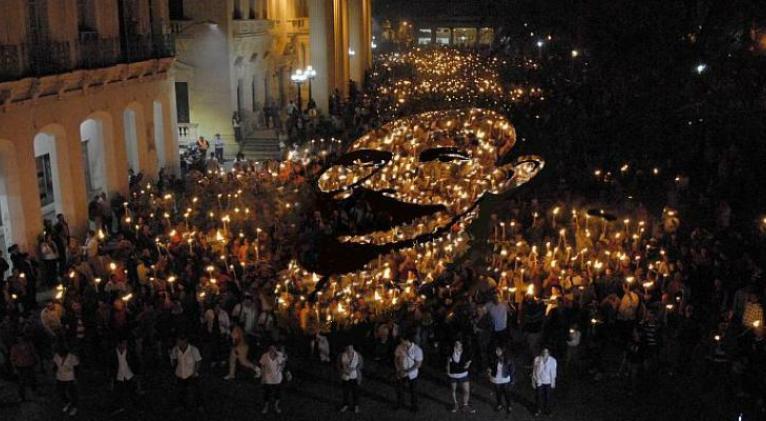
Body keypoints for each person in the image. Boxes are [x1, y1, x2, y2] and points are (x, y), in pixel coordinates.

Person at [169, 334, 204, 412]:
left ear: (184, 341)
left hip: (191, 374)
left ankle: (199, 405)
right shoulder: (176, 349)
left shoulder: (193, 349)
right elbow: (173, 358)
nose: (177, 342)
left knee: (196, 391)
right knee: (180, 391)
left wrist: (195, 371)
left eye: (179, 341)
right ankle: (181, 405)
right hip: (180, 374)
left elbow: (198, 361)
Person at [109, 338, 140, 414]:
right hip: (119, 376)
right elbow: (111, 366)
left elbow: (136, 363)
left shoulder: (130, 352)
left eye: (125, 344)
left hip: (129, 375)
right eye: (123, 344)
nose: (125, 346)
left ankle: (136, 407)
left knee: (133, 392)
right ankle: (119, 407)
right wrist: (111, 378)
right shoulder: (113, 353)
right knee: (118, 393)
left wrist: (136, 374)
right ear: (119, 344)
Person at [394, 335, 423, 412]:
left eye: (402, 340)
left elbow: (418, 364)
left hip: (412, 375)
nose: (401, 342)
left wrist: (407, 371)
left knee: (413, 391)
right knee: (399, 389)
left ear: (408, 340)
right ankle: (400, 403)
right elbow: (396, 359)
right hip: (401, 372)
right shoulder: (399, 347)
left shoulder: (417, 350)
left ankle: (414, 406)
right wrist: (398, 370)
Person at [446, 339, 474, 413]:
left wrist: (469, 363)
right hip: (453, 375)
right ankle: (455, 404)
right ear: (454, 346)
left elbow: (471, 357)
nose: (460, 346)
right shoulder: (450, 352)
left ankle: (465, 405)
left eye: (460, 344)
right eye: (457, 344)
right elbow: (448, 362)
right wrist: (448, 371)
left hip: (463, 374)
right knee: (453, 390)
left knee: (466, 391)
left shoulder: (465, 352)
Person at [53, 342, 80, 416]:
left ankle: (74, 407)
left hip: (70, 377)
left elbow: (76, 368)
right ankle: (68, 402)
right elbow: (55, 366)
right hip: (60, 377)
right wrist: (54, 371)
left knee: (72, 393)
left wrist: (76, 378)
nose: (60, 354)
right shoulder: (56, 356)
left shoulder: (72, 357)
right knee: (60, 392)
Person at [10, 334, 39, 402]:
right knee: (22, 382)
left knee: (32, 379)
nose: (20, 339)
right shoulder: (15, 347)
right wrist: (14, 368)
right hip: (20, 366)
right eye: (19, 338)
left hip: (29, 364)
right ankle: (22, 396)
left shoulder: (29, 345)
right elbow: (12, 358)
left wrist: (36, 360)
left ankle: (34, 392)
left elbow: (34, 353)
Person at [259, 343, 286, 414]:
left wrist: (282, 367)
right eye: (270, 348)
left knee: (278, 394)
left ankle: (276, 406)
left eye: (273, 348)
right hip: (268, 379)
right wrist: (263, 377)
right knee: (267, 394)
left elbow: (283, 363)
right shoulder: (265, 356)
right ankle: (266, 407)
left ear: (276, 349)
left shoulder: (279, 355)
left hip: (278, 379)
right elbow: (262, 367)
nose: (272, 350)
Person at [487, 345, 515, 413]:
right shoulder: (493, 358)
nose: (497, 352)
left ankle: (509, 405)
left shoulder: (508, 359)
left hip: (505, 379)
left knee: (506, 393)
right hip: (496, 379)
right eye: (496, 350)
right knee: (498, 393)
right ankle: (499, 404)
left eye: (499, 350)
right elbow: (490, 366)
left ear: (502, 351)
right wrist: (489, 371)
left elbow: (512, 370)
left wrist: (512, 380)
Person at [337, 342, 363, 413]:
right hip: (345, 377)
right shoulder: (341, 355)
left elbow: (360, 365)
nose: (349, 350)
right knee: (345, 392)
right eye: (347, 348)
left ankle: (356, 406)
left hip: (355, 377)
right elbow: (338, 366)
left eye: (350, 348)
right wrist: (343, 370)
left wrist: (353, 369)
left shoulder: (358, 355)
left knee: (355, 393)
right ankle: (345, 405)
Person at [532, 348, 557, 416]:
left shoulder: (553, 360)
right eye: (544, 351)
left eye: (547, 351)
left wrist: (553, 382)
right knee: (538, 396)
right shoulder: (537, 359)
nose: (545, 353)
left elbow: (553, 373)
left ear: (549, 353)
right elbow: (534, 370)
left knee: (548, 397)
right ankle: (538, 410)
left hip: (548, 382)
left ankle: (548, 410)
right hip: (539, 381)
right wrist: (533, 381)